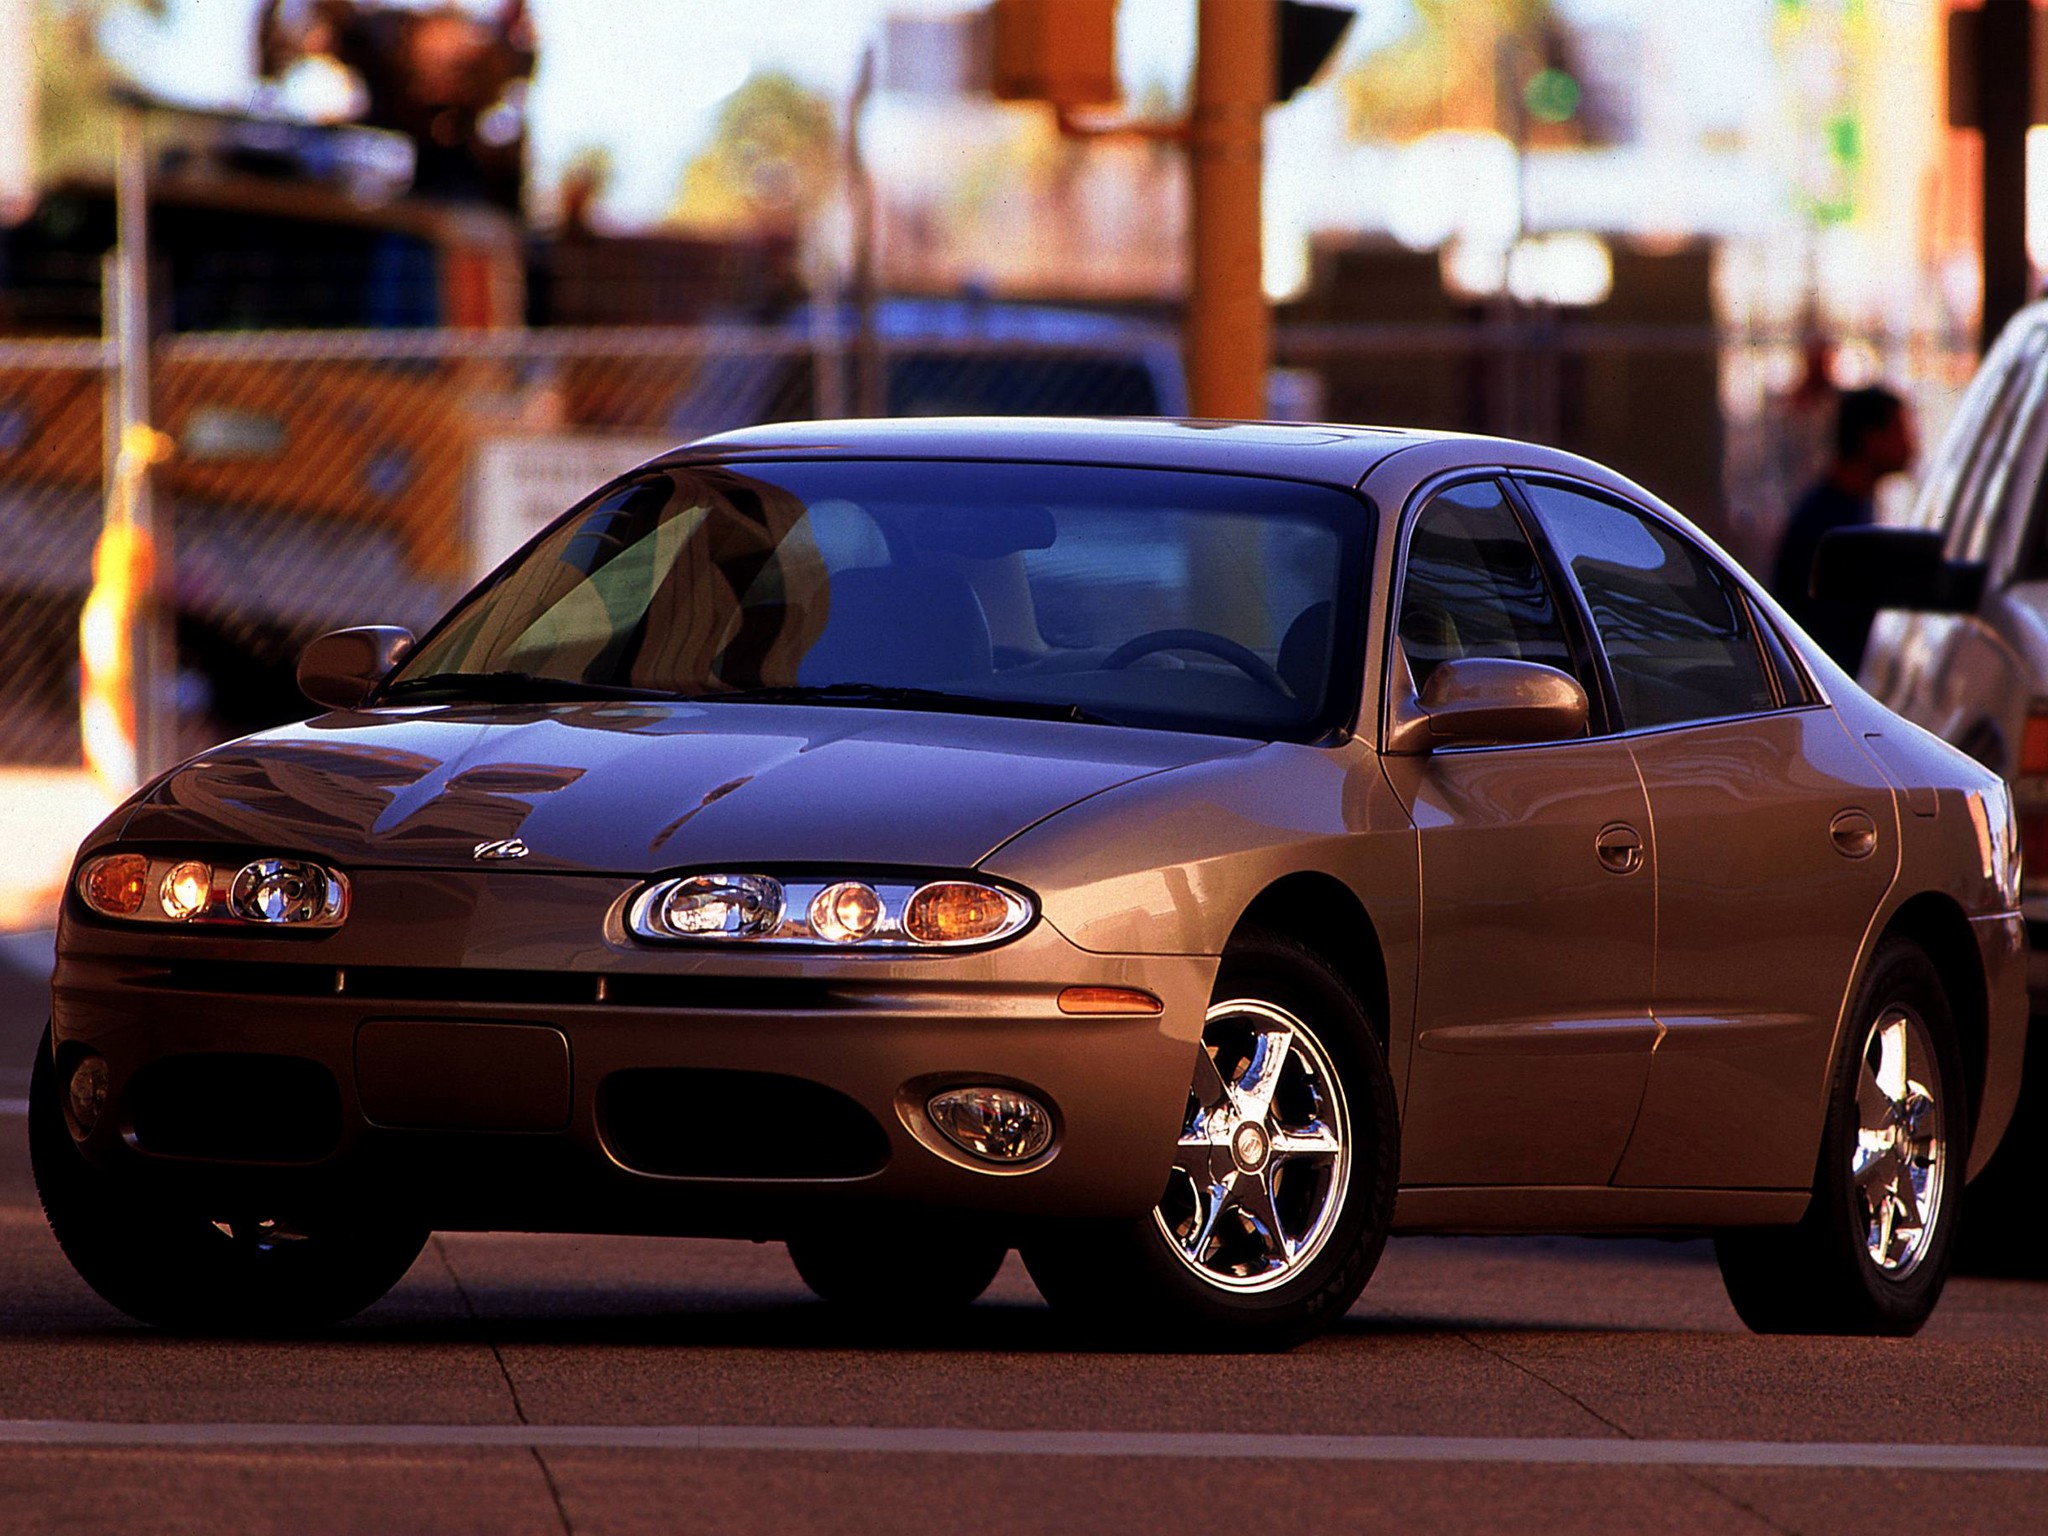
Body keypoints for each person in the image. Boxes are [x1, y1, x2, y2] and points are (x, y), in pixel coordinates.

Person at [1770, 384, 1918, 673]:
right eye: (1900, 431)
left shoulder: (1856, 508)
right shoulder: (1825, 524)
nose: (1911, 445)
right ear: (1869, 438)